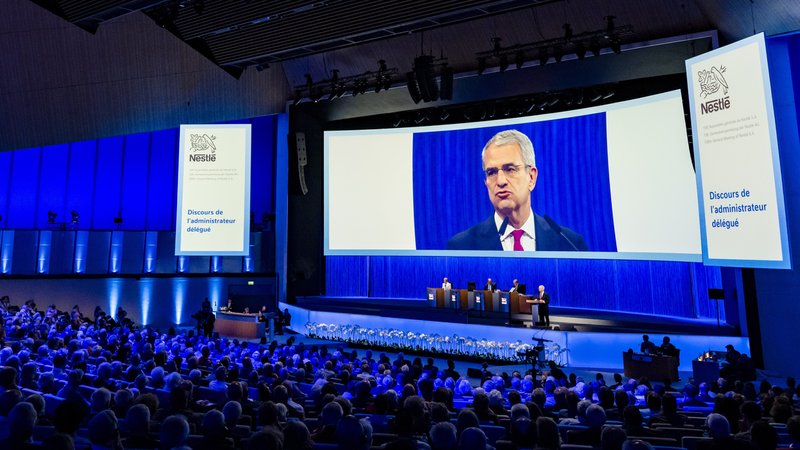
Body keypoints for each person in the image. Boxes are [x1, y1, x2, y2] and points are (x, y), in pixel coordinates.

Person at [446, 129, 587, 251]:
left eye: (510, 169)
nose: (500, 181)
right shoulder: (462, 246)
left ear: (531, 177)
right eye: (492, 172)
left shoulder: (570, 244)